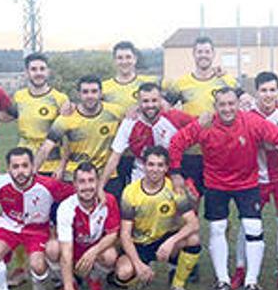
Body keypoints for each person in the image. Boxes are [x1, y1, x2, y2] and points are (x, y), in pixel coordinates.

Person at [168, 87, 278, 290]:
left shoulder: (251, 121)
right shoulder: (205, 124)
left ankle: (252, 281)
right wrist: (175, 172)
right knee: (217, 228)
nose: (227, 108)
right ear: (215, 107)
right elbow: (176, 143)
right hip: (215, 184)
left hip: (247, 184)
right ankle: (222, 279)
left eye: (231, 104)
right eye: (222, 104)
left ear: (237, 104)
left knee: (254, 229)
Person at [231, 72, 278, 290]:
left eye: (272, 90)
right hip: (255, 178)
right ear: (256, 92)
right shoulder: (244, 115)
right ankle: (240, 269)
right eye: (264, 90)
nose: (268, 94)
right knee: (248, 224)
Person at [0, 147, 75, 290]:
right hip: (9, 226)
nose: (20, 171)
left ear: (32, 167)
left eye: (25, 166)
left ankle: (38, 284)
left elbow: (75, 196)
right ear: (8, 169)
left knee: (37, 265)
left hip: (37, 230)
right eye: (15, 167)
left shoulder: (48, 185)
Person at [114, 146, 201, 290]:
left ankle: (178, 285)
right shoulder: (130, 192)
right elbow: (125, 234)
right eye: (151, 164)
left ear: (166, 168)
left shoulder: (174, 189)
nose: (155, 169)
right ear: (144, 166)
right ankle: (139, 278)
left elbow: (193, 223)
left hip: (163, 239)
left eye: (160, 165)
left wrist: (171, 241)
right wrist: (138, 265)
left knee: (193, 239)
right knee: (123, 272)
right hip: (139, 243)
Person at [164, 36, 238, 195]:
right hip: (191, 152)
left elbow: (246, 101)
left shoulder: (226, 81)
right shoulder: (182, 83)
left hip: (218, 151)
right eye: (199, 52)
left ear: (213, 54)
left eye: (207, 51)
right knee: (191, 199)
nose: (203, 55)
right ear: (193, 54)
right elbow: (164, 106)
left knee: (220, 200)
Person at [48, 162, 120, 290]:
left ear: (98, 182)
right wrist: (68, 288)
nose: (87, 186)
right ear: (74, 184)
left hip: (94, 249)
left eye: (91, 180)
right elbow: (66, 251)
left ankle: (95, 279)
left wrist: (94, 251)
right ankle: (69, 283)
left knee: (110, 255)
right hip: (73, 250)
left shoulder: (109, 200)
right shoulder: (66, 207)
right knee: (53, 249)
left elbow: (113, 234)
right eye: (82, 181)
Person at [34, 75, 126, 197]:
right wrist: (32, 173)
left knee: (111, 213)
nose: (90, 96)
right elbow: (46, 148)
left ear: (100, 93)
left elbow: (136, 119)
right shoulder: (67, 118)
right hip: (74, 175)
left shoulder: (116, 112)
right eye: (85, 92)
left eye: (94, 91)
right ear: (79, 94)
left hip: (107, 175)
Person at [99, 82, 194, 188]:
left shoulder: (174, 117)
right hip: (140, 176)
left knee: (185, 199)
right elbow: (114, 157)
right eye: (145, 101)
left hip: (170, 175)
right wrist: (101, 186)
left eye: (154, 100)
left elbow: (201, 125)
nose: (150, 105)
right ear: (138, 103)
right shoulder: (130, 122)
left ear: (161, 100)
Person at [101, 41, 159, 189]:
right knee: (117, 195)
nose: (124, 61)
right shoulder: (105, 87)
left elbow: (164, 103)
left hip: (140, 153)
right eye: (120, 58)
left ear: (135, 59)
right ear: (115, 61)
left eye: (128, 57)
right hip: (114, 151)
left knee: (140, 195)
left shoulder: (148, 83)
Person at [10, 52, 69, 177]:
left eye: (42, 69)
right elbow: (5, 117)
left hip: (51, 165)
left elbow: (68, 138)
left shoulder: (60, 99)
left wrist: (62, 166)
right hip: (24, 162)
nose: (38, 73)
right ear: (27, 72)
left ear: (48, 71)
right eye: (34, 69)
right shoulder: (19, 96)